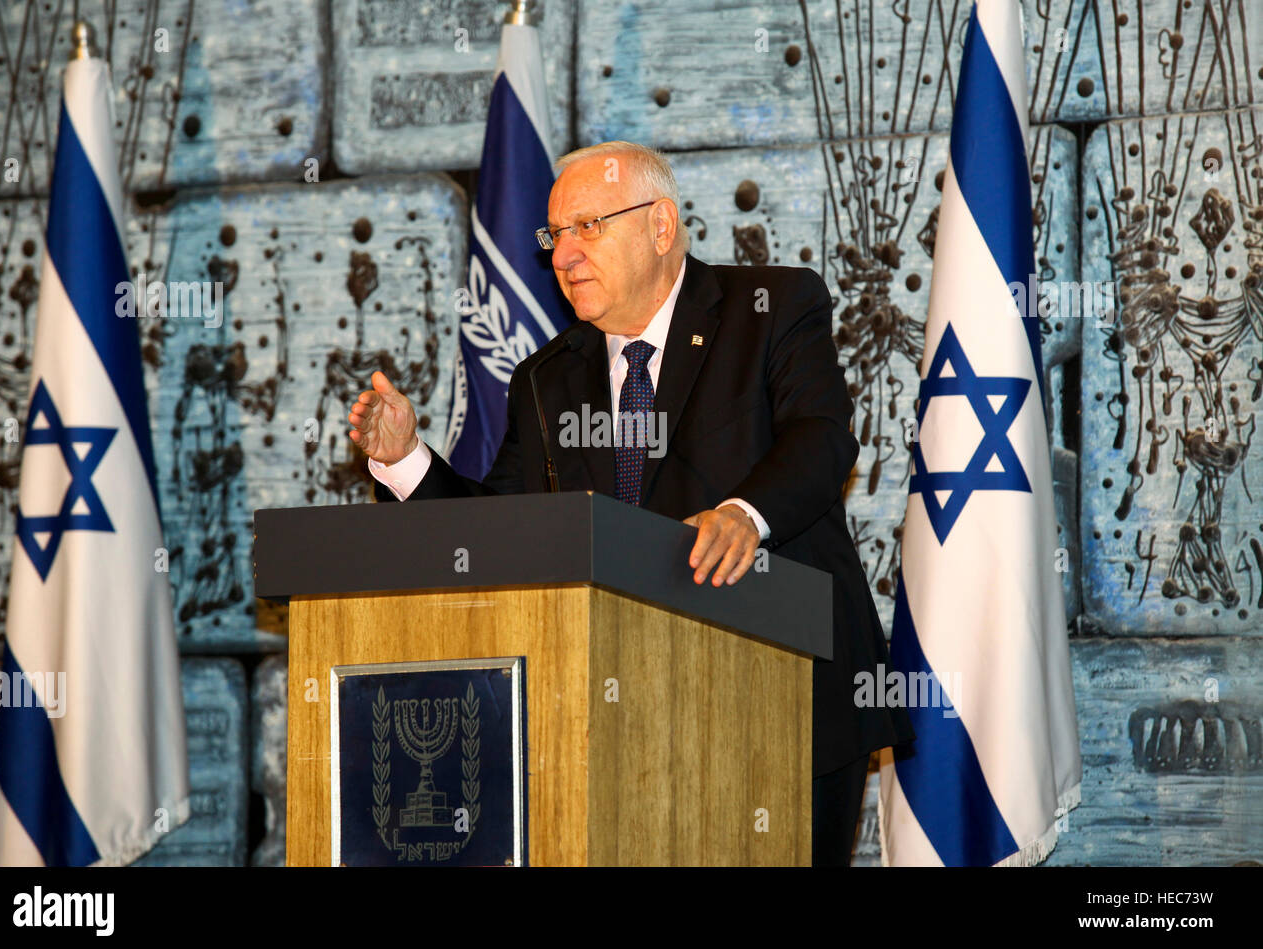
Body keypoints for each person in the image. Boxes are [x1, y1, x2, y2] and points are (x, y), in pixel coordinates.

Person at [348, 140, 914, 865]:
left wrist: (744, 514)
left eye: (588, 226)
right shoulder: (546, 379)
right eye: (555, 235)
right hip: (623, 721)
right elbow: (493, 533)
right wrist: (405, 460)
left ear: (660, 225)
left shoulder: (770, 309)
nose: (563, 255)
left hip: (784, 695)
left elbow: (821, 437)